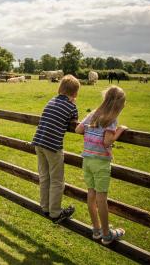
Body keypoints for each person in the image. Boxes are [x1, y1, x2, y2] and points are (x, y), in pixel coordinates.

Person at [75, 86, 127, 244]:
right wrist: (120, 131)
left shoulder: (94, 114)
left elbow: (78, 129)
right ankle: (106, 234)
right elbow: (107, 141)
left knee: (91, 194)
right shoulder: (112, 119)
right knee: (101, 198)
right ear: (118, 105)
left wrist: (91, 132)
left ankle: (96, 229)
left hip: (87, 160)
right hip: (101, 162)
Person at [32, 74, 80, 223]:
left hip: (39, 142)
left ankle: (45, 207)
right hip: (53, 146)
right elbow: (75, 120)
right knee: (57, 180)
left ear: (60, 89)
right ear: (75, 93)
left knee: (44, 176)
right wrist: (72, 102)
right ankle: (55, 213)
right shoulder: (71, 106)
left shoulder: (51, 100)